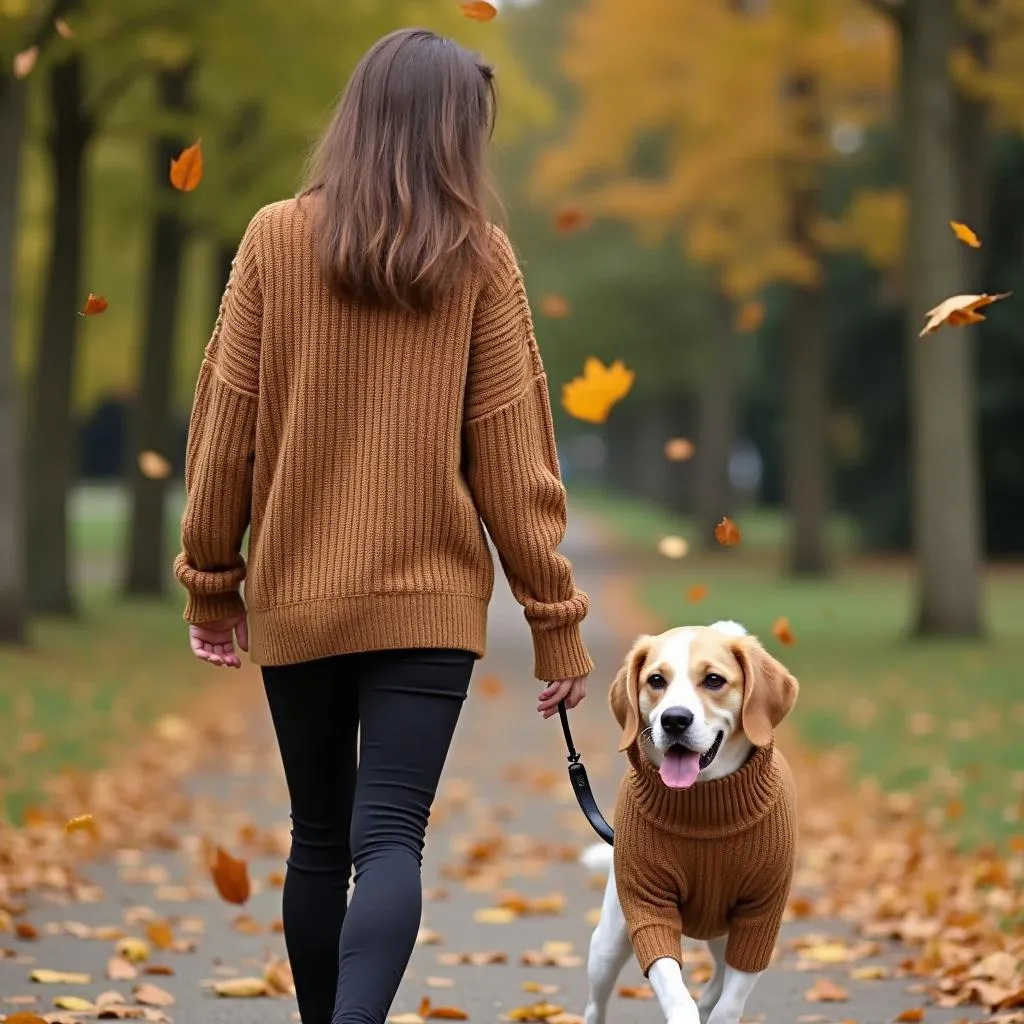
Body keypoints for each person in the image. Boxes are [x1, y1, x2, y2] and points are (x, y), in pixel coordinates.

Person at [173, 27, 593, 1024]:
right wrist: (553, 618)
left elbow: (222, 427)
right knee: (391, 836)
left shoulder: (274, 236)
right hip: (429, 602)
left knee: (318, 835)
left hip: (298, 595)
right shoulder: (478, 257)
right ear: (453, 135)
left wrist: (211, 577)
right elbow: (513, 454)